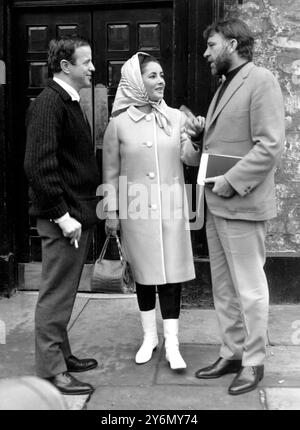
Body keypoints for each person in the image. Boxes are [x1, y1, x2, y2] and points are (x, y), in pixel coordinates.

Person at [185, 18, 285, 395]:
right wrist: (200, 136)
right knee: (224, 289)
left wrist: (230, 182)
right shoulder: (225, 86)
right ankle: (231, 352)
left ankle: (254, 361)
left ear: (232, 43)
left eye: (211, 45)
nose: (206, 53)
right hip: (217, 204)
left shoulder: (261, 81)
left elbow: (269, 145)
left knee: (250, 288)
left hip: (240, 202)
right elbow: (223, 144)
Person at [102, 52, 202, 370]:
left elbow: (190, 158)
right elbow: (109, 172)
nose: (161, 81)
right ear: (136, 82)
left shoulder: (175, 117)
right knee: (144, 278)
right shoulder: (118, 125)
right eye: (152, 76)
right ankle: (150, 337)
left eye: (161, 75)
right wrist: (111, 212)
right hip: (136, 210)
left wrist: (197, 140)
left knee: (172, 277)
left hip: (171, 210)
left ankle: (172, 342)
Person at [24, 36, 100, 395]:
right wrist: (61, 215)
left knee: (65, 292)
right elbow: (39, 167)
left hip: (75, 215)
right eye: (86, 62)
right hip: (63, 220)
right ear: (65, 66)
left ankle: (61, 353)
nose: (93, 68)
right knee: (55, 294)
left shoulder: (66, 101)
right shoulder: (49, 104)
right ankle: (51, 369)